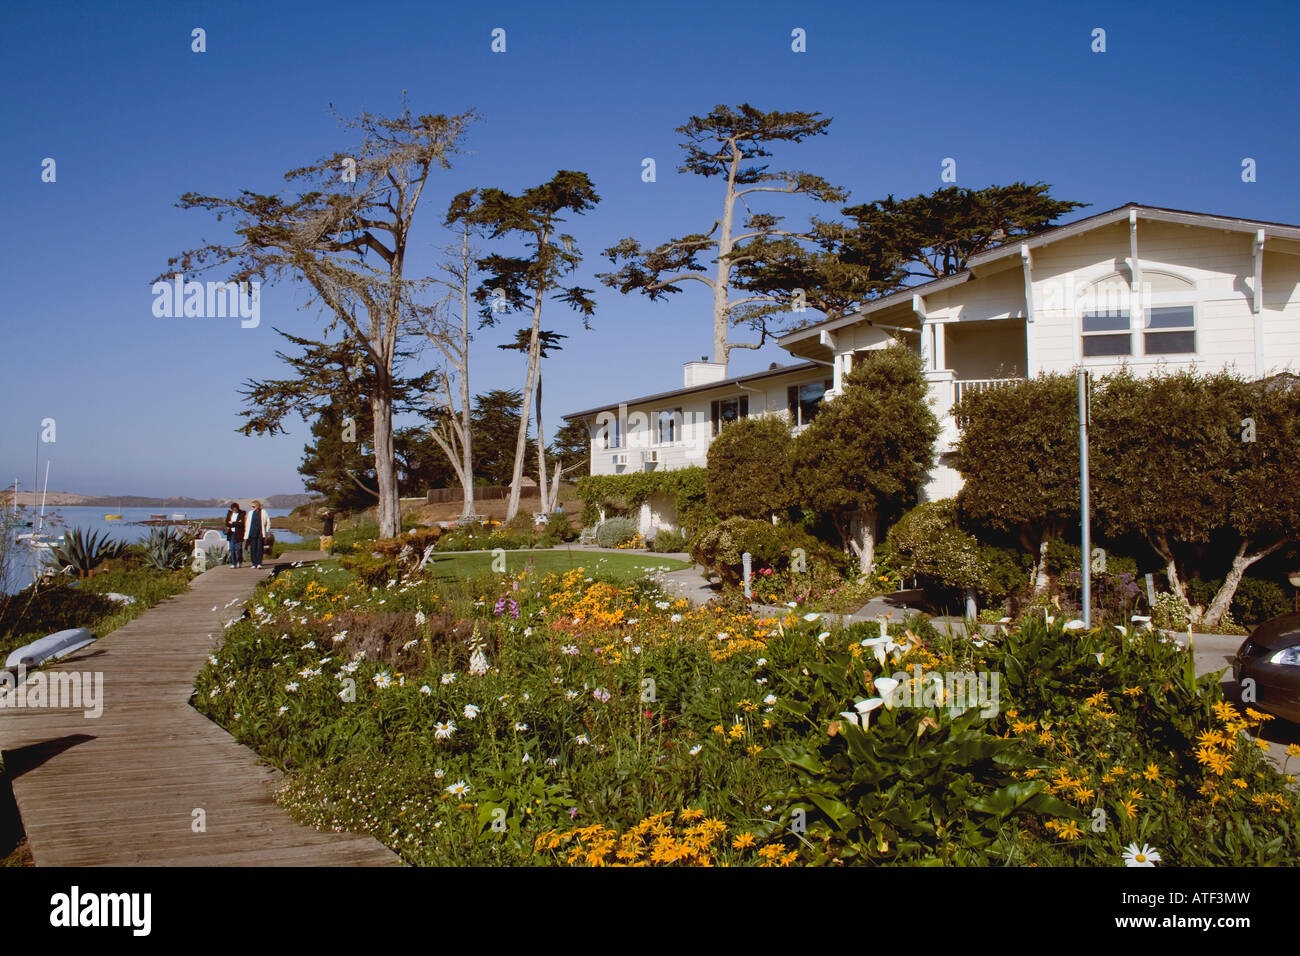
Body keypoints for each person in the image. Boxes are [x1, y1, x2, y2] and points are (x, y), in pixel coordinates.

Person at [244, 499, 271, 569]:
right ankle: (254, 563)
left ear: (257, 506)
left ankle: (259, 563)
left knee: (259, 548)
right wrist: (246, 534)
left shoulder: (263, 512)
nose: (252, 507)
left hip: (260, 533)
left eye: (253, 506)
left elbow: (268, 521)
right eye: (251, 506)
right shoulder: (250, 513)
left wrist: (267, 530)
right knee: (253, 548)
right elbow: (247, 523)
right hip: (252, 533)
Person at [224, 501, 245, 568]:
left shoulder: (242, 513)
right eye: (233, 509)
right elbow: (227, 522)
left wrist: (232, 523)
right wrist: (236, 522)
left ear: (237, 508)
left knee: (239, 549)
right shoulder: (229, 513)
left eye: (235, 509)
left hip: (238, 534)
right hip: (231, 534)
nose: (234, 510)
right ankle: (233, 563)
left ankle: (240, 561)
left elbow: (241, 523)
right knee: (232, 549)